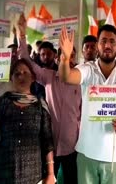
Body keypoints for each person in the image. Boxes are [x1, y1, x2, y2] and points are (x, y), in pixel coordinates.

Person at [59, 24, 116, 184]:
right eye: (103, 41)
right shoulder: (88, 69)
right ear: (97, 45)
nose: (107, 45)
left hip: (115, 157)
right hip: (87, 153)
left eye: (112, 41)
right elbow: (66, 77)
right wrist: (65, 58)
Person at [18, 13, 81, 184]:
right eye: (63, 55)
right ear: (58, 57)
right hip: (49, 143)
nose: (67, 59)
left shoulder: (81, 82)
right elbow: (27, 62)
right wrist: (22, 35)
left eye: (71, 56)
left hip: (72, 145)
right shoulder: (48, 76)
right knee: (46, 180)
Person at [0, 59, 55, 184]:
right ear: (11, 79)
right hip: (4, 174)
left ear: (33, 77)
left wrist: (51, 174)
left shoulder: (40, 105)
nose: (21, 76)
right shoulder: (3, 102)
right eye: (17, 73)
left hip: (33, 175)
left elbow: (47, 142)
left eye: (25, 72)